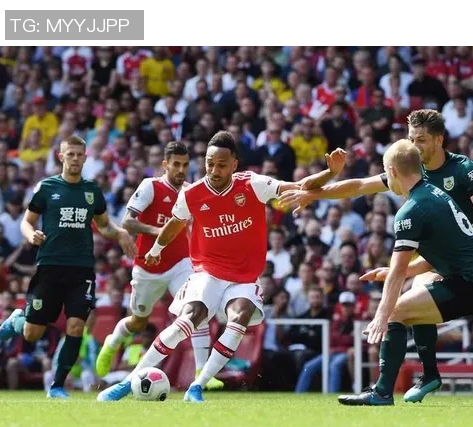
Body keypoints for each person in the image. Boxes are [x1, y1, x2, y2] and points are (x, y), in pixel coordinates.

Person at [279, 109, 473, 406]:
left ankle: (385, 391)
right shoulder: (414, 172)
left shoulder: (458, 169)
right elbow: (360, 185)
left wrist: (458, 246)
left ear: (439, 139)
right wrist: (315, 193)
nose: (415, 144)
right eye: (411, 139)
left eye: (421, 139)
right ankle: (430, 375)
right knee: (455, 313)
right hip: (464, 264)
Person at [97, 131, 346, 402]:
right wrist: (156, 250)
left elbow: (299, 185)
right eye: (210, 163)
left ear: (234, 165)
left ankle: (197, 386)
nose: (214, 170)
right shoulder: (192, 193)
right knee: (188, 320)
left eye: (221, 165)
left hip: (244, 277)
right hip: (208, 271)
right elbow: (174, 225)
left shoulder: (252, 184)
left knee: (239, 318)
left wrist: (330, 172)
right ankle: (127, 383)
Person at [0, 135, 136, 399]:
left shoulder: (92, 191)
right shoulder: (46, 187)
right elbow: (27, 221)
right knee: (32, 333)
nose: (74, 159)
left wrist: (119, 233)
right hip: (50, 266)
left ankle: (57, 386)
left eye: (79, 155)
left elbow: (103, 225)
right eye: (70, 154)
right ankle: (17, 320)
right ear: (61, 157)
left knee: (76, 327)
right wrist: (31, 235)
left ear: (85, 158)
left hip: (81, 269)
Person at [94, 140, 224, 390]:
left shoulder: (190, 191)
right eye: (176, 164)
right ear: (165, 164)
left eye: (185, 165)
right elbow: (128, 222)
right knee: (138, 322)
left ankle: (202, 372)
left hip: (180, 263)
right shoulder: (150, 186)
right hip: (148, 266)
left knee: (198, 308)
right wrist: (162, 232)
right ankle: (113, 341)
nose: (181, 170)